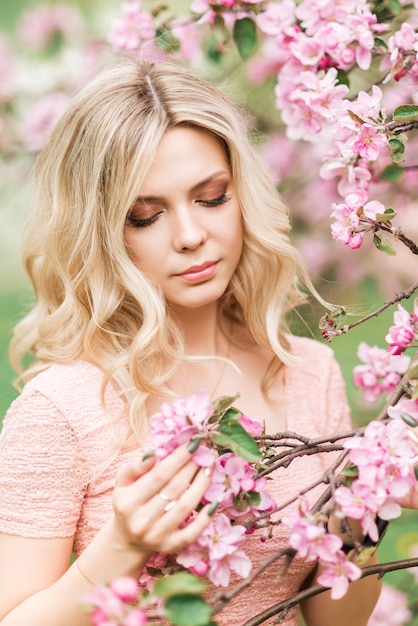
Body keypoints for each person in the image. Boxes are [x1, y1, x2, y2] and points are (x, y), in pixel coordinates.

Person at [0, 57, 382, 626]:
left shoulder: (306, 372)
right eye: (145, 216)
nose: (191, 236)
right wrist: (123, 547)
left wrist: (365, 511)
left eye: (211, 198)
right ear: (100, 230)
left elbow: (337, 620)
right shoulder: (63, 410)